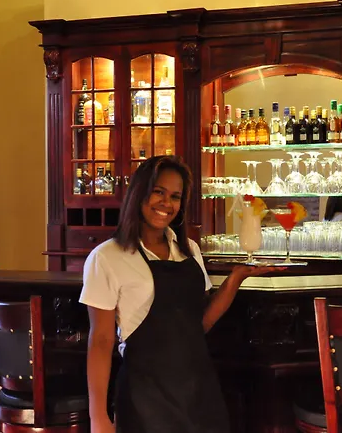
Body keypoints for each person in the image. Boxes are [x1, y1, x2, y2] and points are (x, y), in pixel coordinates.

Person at [80, 155, 275, 433]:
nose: (166, 203)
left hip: (199, 393)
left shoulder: (189, 250)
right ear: (139, 193)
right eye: (158, 192)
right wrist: (98, 416)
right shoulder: (106, 257)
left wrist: (235, 279)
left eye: (175, 196)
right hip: (145, 398)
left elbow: (199, 324)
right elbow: (100, 341)